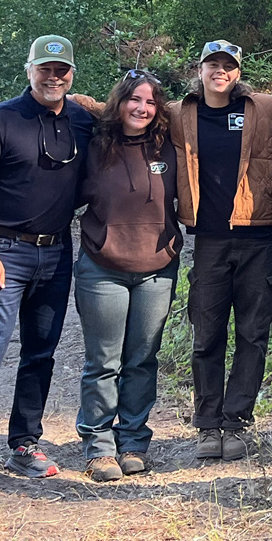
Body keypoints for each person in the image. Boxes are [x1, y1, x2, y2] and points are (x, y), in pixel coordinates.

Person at [0, 35, 94, 482]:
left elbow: (130, 113)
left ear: (72, 74)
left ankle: (24, 444)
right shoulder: (0, 119)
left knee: (40, 354)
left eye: (62, 70)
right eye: (46, 69)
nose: (54, 77)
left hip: (56, 252)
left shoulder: (82, 119)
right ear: (29, 69)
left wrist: (99, 103)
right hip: (5, 251)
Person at [174, 41, 272, 461]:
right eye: (212, 64)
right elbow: (130, 110)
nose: (220, 71)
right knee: (207, 334)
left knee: (253, 335)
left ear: (237, 72)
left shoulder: (267, 109)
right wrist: (83, 102)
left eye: (228, 65)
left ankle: (236, 421)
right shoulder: (179, 113)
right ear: (199, 70)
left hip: (261, 238)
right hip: (210, 240)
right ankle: (207, 424)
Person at [74, 70, 181, 482]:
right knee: (104, 361)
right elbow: (71, 104)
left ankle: (133, 440)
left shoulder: (169, 145)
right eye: (134, 99)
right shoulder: (95, 145)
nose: (142, 108)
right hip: (103, 268)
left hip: (157, 270)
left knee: (142, 359)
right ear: (118, 102)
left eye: (151, 102)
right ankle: (98, 445)